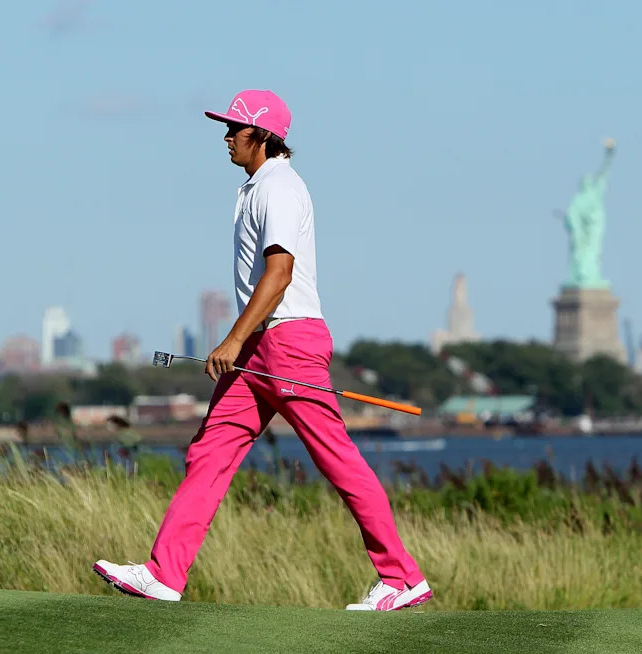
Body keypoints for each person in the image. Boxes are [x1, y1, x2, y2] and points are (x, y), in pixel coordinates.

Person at [94, 89, 432, 611]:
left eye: (234, 128)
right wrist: (242, 341)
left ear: (263, 136)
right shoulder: (256, 186)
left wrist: (230, 338)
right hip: (259, 346)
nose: (226, 137)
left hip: (289, 341)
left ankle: (402, 577)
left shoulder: (279, 187)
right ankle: (164, 573)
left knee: (336, 459)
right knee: (209, 450)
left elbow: (280, 275)